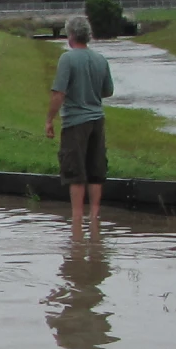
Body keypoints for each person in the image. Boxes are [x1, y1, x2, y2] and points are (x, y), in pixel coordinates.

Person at [43, 14, 114, 236]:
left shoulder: (67, 59)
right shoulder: (101, 60)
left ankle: (76, 222)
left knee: (75, 171)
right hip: (97, 121)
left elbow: (58, 93)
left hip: (75, 122)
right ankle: (94, 219)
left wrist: (49, 120)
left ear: (70, 35)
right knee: (95, 171)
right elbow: (108, 91)